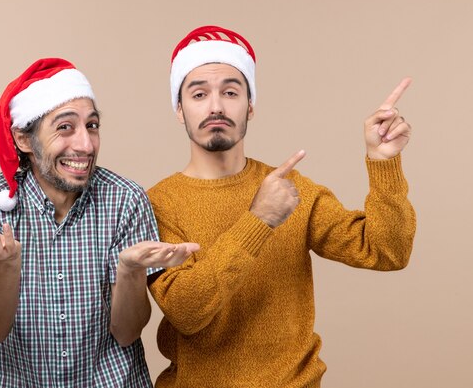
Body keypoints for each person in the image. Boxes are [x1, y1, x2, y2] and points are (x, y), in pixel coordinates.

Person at [147, 26, 416, 387]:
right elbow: (186, 311)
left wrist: (382, 162)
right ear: (180, 110)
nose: (216, 106)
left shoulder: (290, 188)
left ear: (250, 105)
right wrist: (259, 220)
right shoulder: (158, 203)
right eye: (199, 94)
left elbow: (387, 251)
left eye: (230, 92)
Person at [0, 57, 198, 388]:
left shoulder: (126, 199)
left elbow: (128, 332)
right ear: (23, 140)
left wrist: (129, 270)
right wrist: (5, 267)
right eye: (65, 127)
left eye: (92, 126)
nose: (85, 145)